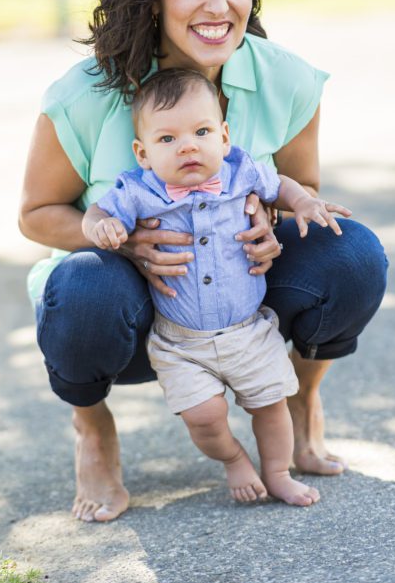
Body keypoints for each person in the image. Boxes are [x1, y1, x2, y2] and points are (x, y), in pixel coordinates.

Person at [19, 0, 388, 523]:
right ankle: (93, 429)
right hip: (133, 310)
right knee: (80, 287)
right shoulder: (83, 95)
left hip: (241, 298)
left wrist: (272, 223)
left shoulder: (287, 79)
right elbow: (35, 215)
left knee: (349, 253)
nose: (219, 5)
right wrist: (123, 239)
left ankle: (299, 400)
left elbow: (307, 195)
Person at [83, 67, 352, 507]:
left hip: (248, 331)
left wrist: (303, 200)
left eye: (201, 131)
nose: (187, 145)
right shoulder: (138, 191)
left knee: (271, 408)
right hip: (181, 341)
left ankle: (279, 473)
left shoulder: (240, 170)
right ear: (143, 152)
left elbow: (280, 183)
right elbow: (95, 213)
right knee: (204, 417)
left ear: (223, 137)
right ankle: (232, 459)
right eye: (167, 139)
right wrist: (103, 228)